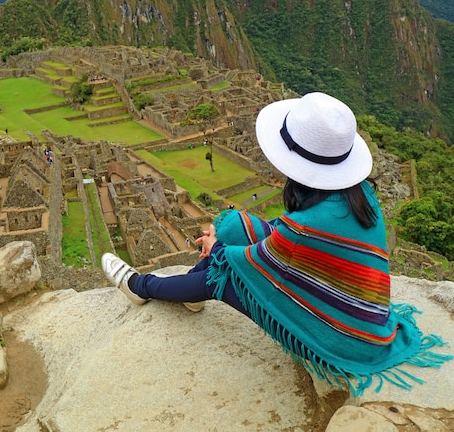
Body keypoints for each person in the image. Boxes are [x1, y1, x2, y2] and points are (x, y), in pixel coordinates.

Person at [102, 92, 452, 395]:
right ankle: (188, 290)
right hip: (369, 325)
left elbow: (257, 261)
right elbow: (284, 238)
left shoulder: (309, 225)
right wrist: (223, 238)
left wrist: (215, 248)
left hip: (338, 340)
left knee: (222, 274)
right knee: (232, 225)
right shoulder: (360, 195)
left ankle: (144, 286)